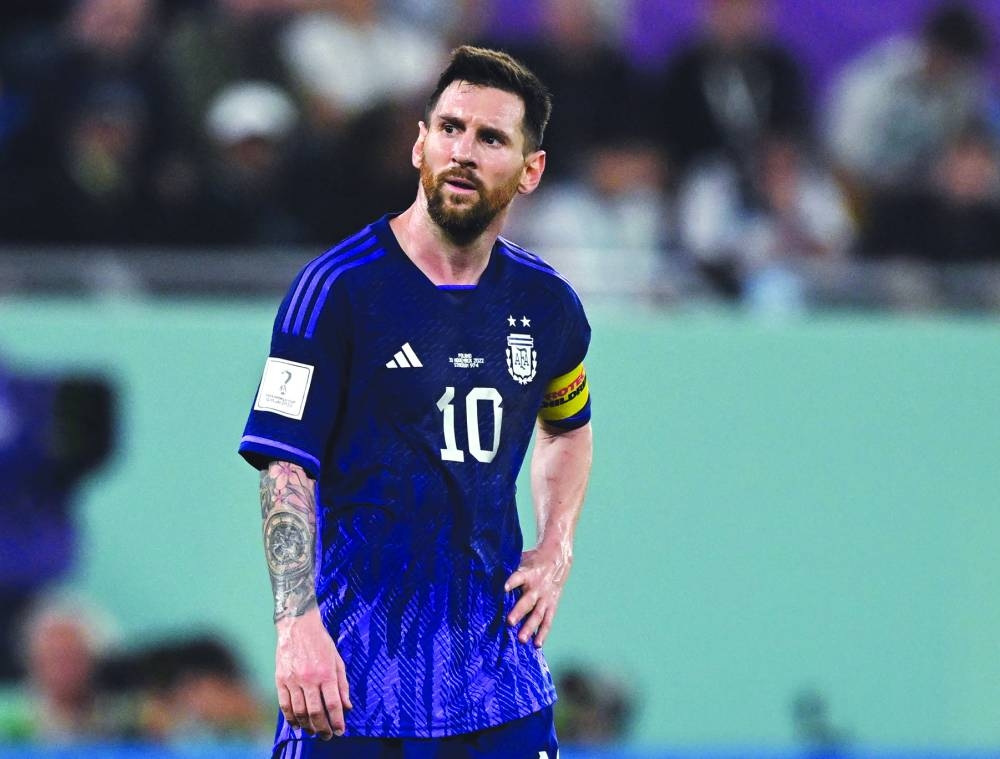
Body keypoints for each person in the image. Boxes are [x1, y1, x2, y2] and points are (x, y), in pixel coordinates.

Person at [237, 45, 593, 759]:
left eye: (491, 137)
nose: (464, 150)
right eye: (450, 128)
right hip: (354, 680)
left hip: (497, 676)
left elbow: (568, 428)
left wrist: (556, 545)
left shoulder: (547, 306)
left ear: (530, 170)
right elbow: (285, 468)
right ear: (419, 144)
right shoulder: (335, 290)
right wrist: (294, 624)